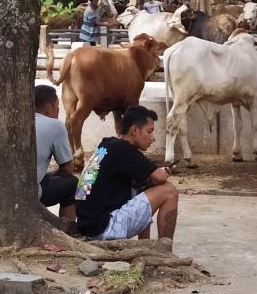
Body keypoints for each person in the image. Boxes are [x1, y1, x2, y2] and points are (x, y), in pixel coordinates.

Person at [75, 105, 180, 246]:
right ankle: (166, 251)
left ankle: (145, 245)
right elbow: (159, 177)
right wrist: (162, 173)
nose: (153, 138)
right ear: (135, 130)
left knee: (144, 185)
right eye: (149, 131)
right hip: (104, 229)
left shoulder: (107, 145)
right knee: (169, 191)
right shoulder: (125, 150)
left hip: (87, 226)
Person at [34, 85, 77, 223]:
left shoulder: (16, 120)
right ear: (49, 107)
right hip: (30, 193)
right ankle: (68, 230)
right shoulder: (55, 125)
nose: (59, 110)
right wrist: (50, 174)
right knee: (74, 184)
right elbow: (68, 170)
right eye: (58, 105)